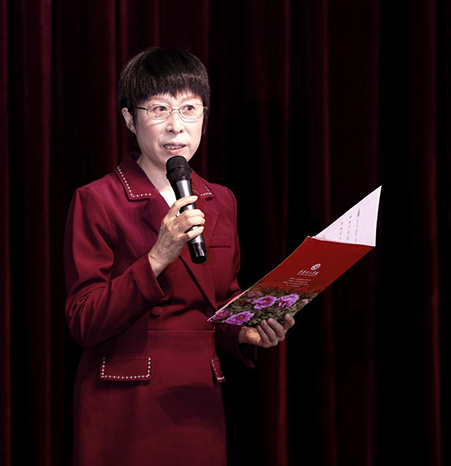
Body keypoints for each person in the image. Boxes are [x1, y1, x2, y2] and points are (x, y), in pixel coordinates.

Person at [63, 47, 294, 466]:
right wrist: (157, 257)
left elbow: (220, 302)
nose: (176, 125)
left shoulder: (220, 199)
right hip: (126, 403)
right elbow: (84, 319)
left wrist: (246, 330)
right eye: (159, 109)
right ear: (129, 119)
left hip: (197, 402)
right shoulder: (97, 199)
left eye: (189, 108)